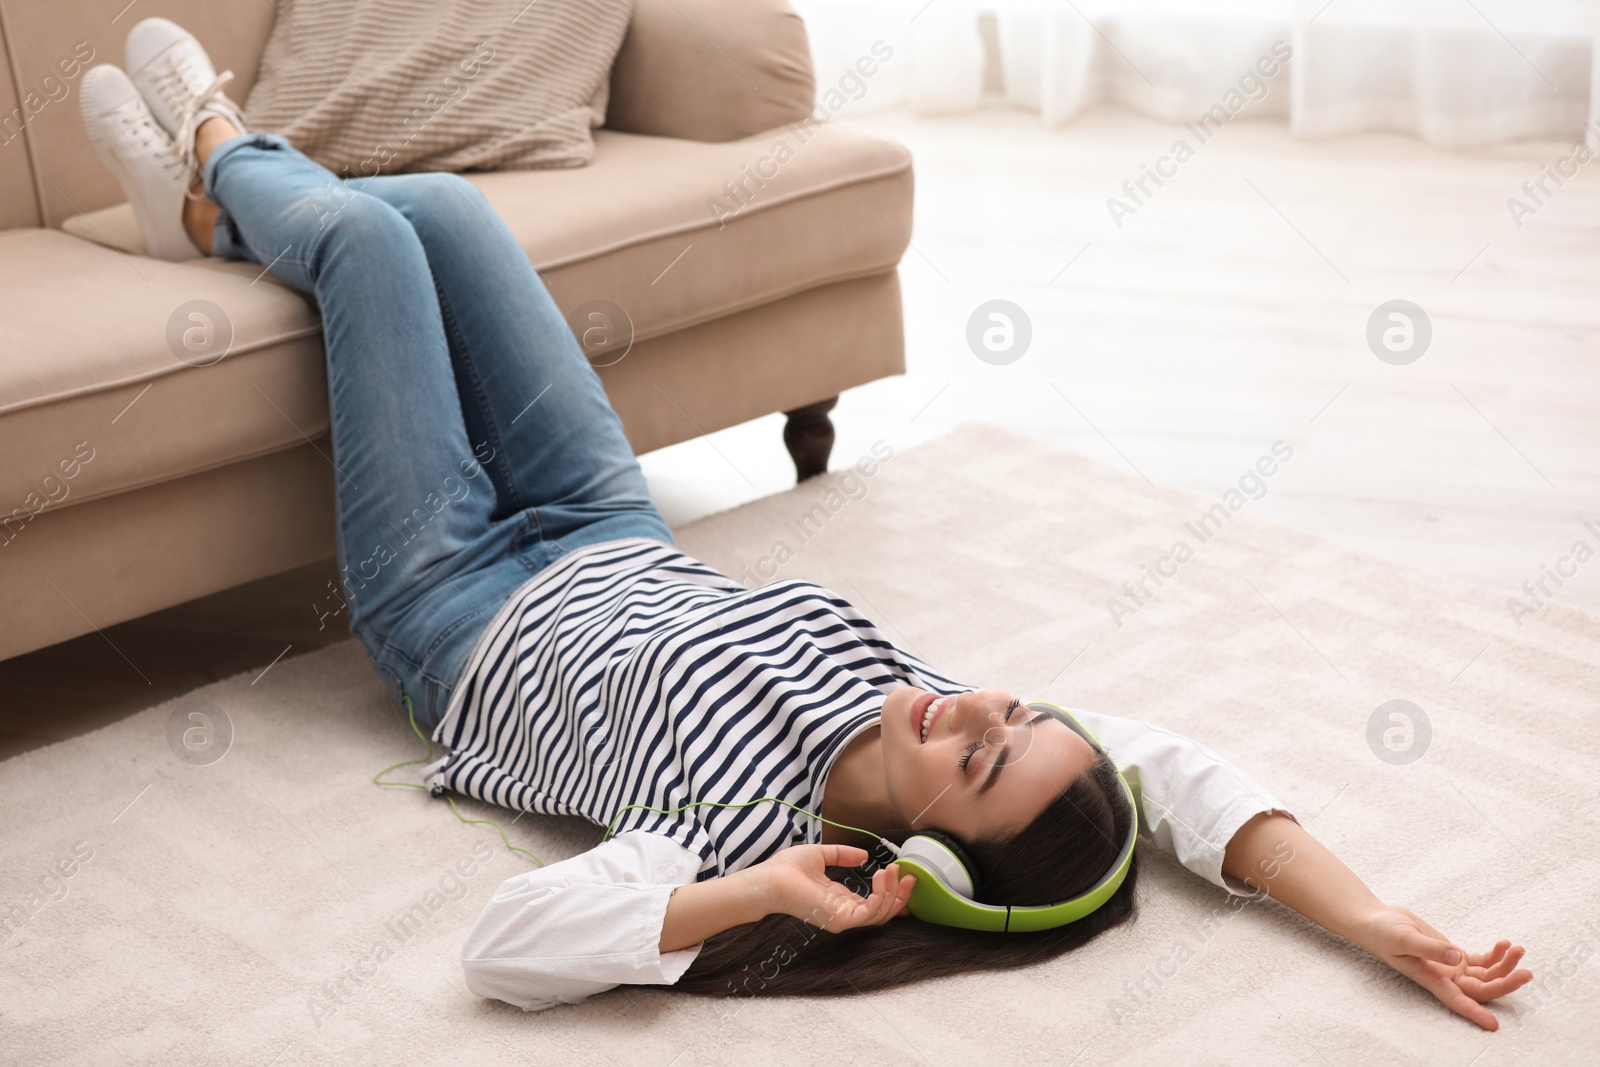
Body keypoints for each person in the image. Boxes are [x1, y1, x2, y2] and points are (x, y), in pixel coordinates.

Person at [81, 18, 1531, 1027]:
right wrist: (1375, 918)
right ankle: (216, 220)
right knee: (451, 211)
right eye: (1009, 716)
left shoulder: (741, 843)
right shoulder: (938, 697)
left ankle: (220, 148)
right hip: (605, 523)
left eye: (975, 764)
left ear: (931, 870)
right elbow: (1188, 789)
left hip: (453, 606)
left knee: (365, 246)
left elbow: (498, 954)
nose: (964, 714)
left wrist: (739, 900)